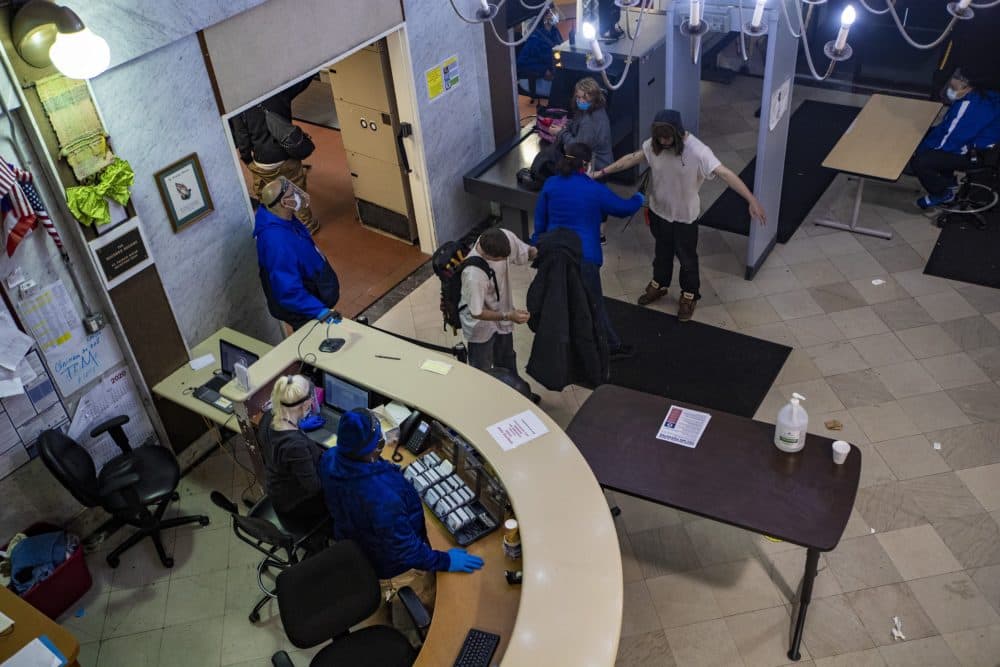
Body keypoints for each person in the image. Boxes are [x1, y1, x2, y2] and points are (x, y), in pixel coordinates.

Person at [595, 109, 766, 321]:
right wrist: (601, 173)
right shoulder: (654, 145)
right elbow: (631, 159)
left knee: (687, 259)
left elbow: (725, 173)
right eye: (660, 138)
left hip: (685, 218)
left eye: (668, 138)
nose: (664, 142)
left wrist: (751, 200)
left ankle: (689, 295)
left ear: (678, 133)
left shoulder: (698, 151)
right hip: (659, 212)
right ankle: (659, 284)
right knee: (662, 253)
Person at [320, 408, 483, 622]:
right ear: (377, 447)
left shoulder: (330, 457)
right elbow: (406, 551)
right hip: (395, 570)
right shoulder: (382, 497)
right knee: (423, 614)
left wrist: (385, 468)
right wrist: (445, 560)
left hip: (359, 552)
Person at [533, 142, 644, 358]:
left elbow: (540, 220)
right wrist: (639, 198)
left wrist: (538, 244)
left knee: (560, 297)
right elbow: (623, 209)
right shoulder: (595, 189)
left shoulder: (551, 185)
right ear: (586, 164)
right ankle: (610, 345)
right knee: (593, 302)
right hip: (585, 257)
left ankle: (563, 345)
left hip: (554, 252)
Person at [230, 79, 318, 234]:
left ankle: (279, 223)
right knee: (296, 192)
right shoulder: (278, 93)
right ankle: (308, 225)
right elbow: (301, 83)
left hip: (262, 161)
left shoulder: (241, 108)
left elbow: (242, 139)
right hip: (286, 155)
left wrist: (248, 160)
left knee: (265, 192)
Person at [459, 227, 538, 397]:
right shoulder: (474, 275)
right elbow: (477, 312)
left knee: (507, 357)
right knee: (482, 370)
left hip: (502, 315)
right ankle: (486, 402)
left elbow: (527, 253)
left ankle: (517, 395)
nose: (506, 261)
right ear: (489, 256)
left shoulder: (504, 238)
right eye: (501, 260)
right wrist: (508, 315)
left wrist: (543, 250)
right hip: (480, 327)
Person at [254, 177, 340, 330]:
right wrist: (320, 311)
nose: (297, 194)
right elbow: (287, 289)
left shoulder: (285, 219)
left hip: (314, 292)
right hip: (306, 312)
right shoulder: (277, 243)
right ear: (284, 203)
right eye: (292, 193)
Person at [911, 67, 1000, 209]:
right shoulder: (986, 96)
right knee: (929, 142)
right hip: (987, 149)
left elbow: (950, 141)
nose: (950, 84)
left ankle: (942, 193)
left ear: (965, 83)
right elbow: (950, 128)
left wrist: (920, 149)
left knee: (921, 161)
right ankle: (949, 182)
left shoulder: (969, 105)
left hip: (977, 154)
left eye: (953, 80)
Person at [257, 375, 328, 531]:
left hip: (278, 490)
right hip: (295, 504)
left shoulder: (269, 417)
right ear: (304, 405)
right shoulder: (295, 445)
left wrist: (300, 426)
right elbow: (315, 487)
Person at [515, 9, 562, 98]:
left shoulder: (555, 32)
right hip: (543, 78)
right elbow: (520, 63)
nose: (556, 14)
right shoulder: (535, 38)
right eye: (553, 12)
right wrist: (543, 70)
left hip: (557, 73)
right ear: (545, 16)